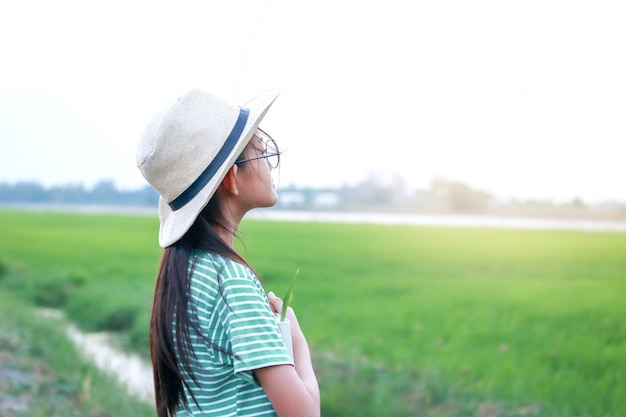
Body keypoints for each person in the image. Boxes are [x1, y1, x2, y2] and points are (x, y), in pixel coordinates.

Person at [136, 89, 320, 417]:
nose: (271, 167)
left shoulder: (186, 270)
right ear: (233, 179)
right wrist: (296, 341)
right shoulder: (230, 282)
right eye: (264, 153)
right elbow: (303, 414)